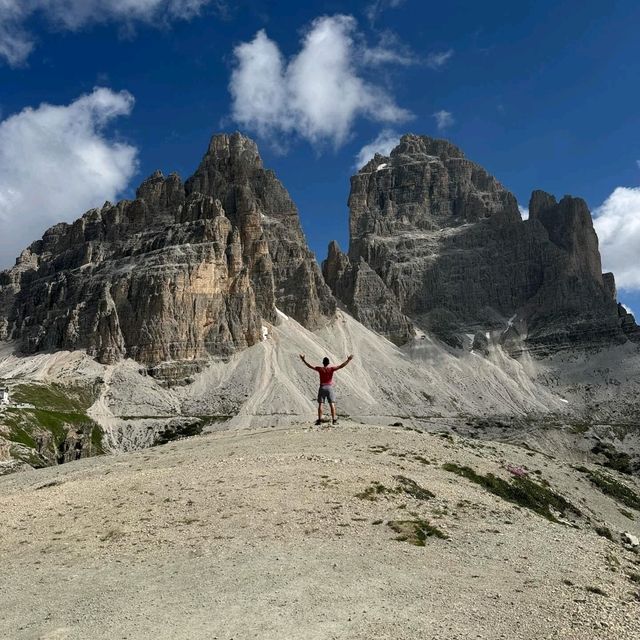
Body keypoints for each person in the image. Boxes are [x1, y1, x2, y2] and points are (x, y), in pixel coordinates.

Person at [299, 353, 353, 425]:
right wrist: (348, 360)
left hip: (322, 387)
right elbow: (341, 366)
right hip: (329, 388)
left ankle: (319, 420)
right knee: (332, 404)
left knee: (320, 404)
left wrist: (303, 360)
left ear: (323, 363)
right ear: (328, 363)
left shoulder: (320, 369)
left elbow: (310, 366)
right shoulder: (331, 369)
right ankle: (334, 420)